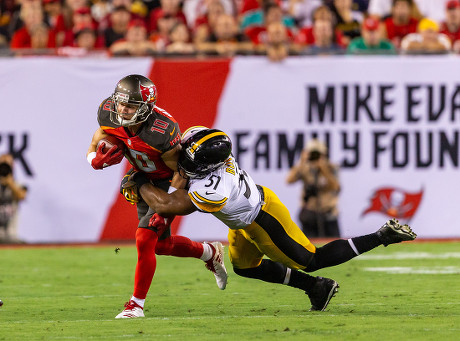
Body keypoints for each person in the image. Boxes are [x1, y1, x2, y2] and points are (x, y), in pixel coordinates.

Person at [122, 127, 417, 312]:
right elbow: (182, 163)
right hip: (244, 216)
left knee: (312, 259)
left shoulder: (212, 189)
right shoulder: (204, 146)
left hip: (262, 218)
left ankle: (381, 236)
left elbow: (168, 203)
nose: (184, 163)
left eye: (191, 162)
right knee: (246, 268)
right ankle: (316, 288)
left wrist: (139, 181)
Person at [86, 75, 227, 319]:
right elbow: (98, 136)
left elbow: (180, 171)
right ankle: (209, 253)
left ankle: (135, 306)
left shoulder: (161, 131)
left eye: (130, 106)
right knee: (161, 245)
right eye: (120, 103)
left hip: (169, 181)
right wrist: (93, 160)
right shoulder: (109, 112)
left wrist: (168, 206)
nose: (122, 109)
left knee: (145, 237)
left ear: (146, 108)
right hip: (142, 176)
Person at [286, 139, 341, 237]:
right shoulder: (305, 168)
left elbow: (336, 187)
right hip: (310, 215)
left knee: (335, 248)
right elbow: (289, 180)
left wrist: (324, 169)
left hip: (328, 214)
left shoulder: (331, 168)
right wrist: (302, 161)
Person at [0, 153, 27, 244]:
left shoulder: (18, 185)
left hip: (11, 236)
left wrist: (10, 183)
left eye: (7, 165)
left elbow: (22, 196)